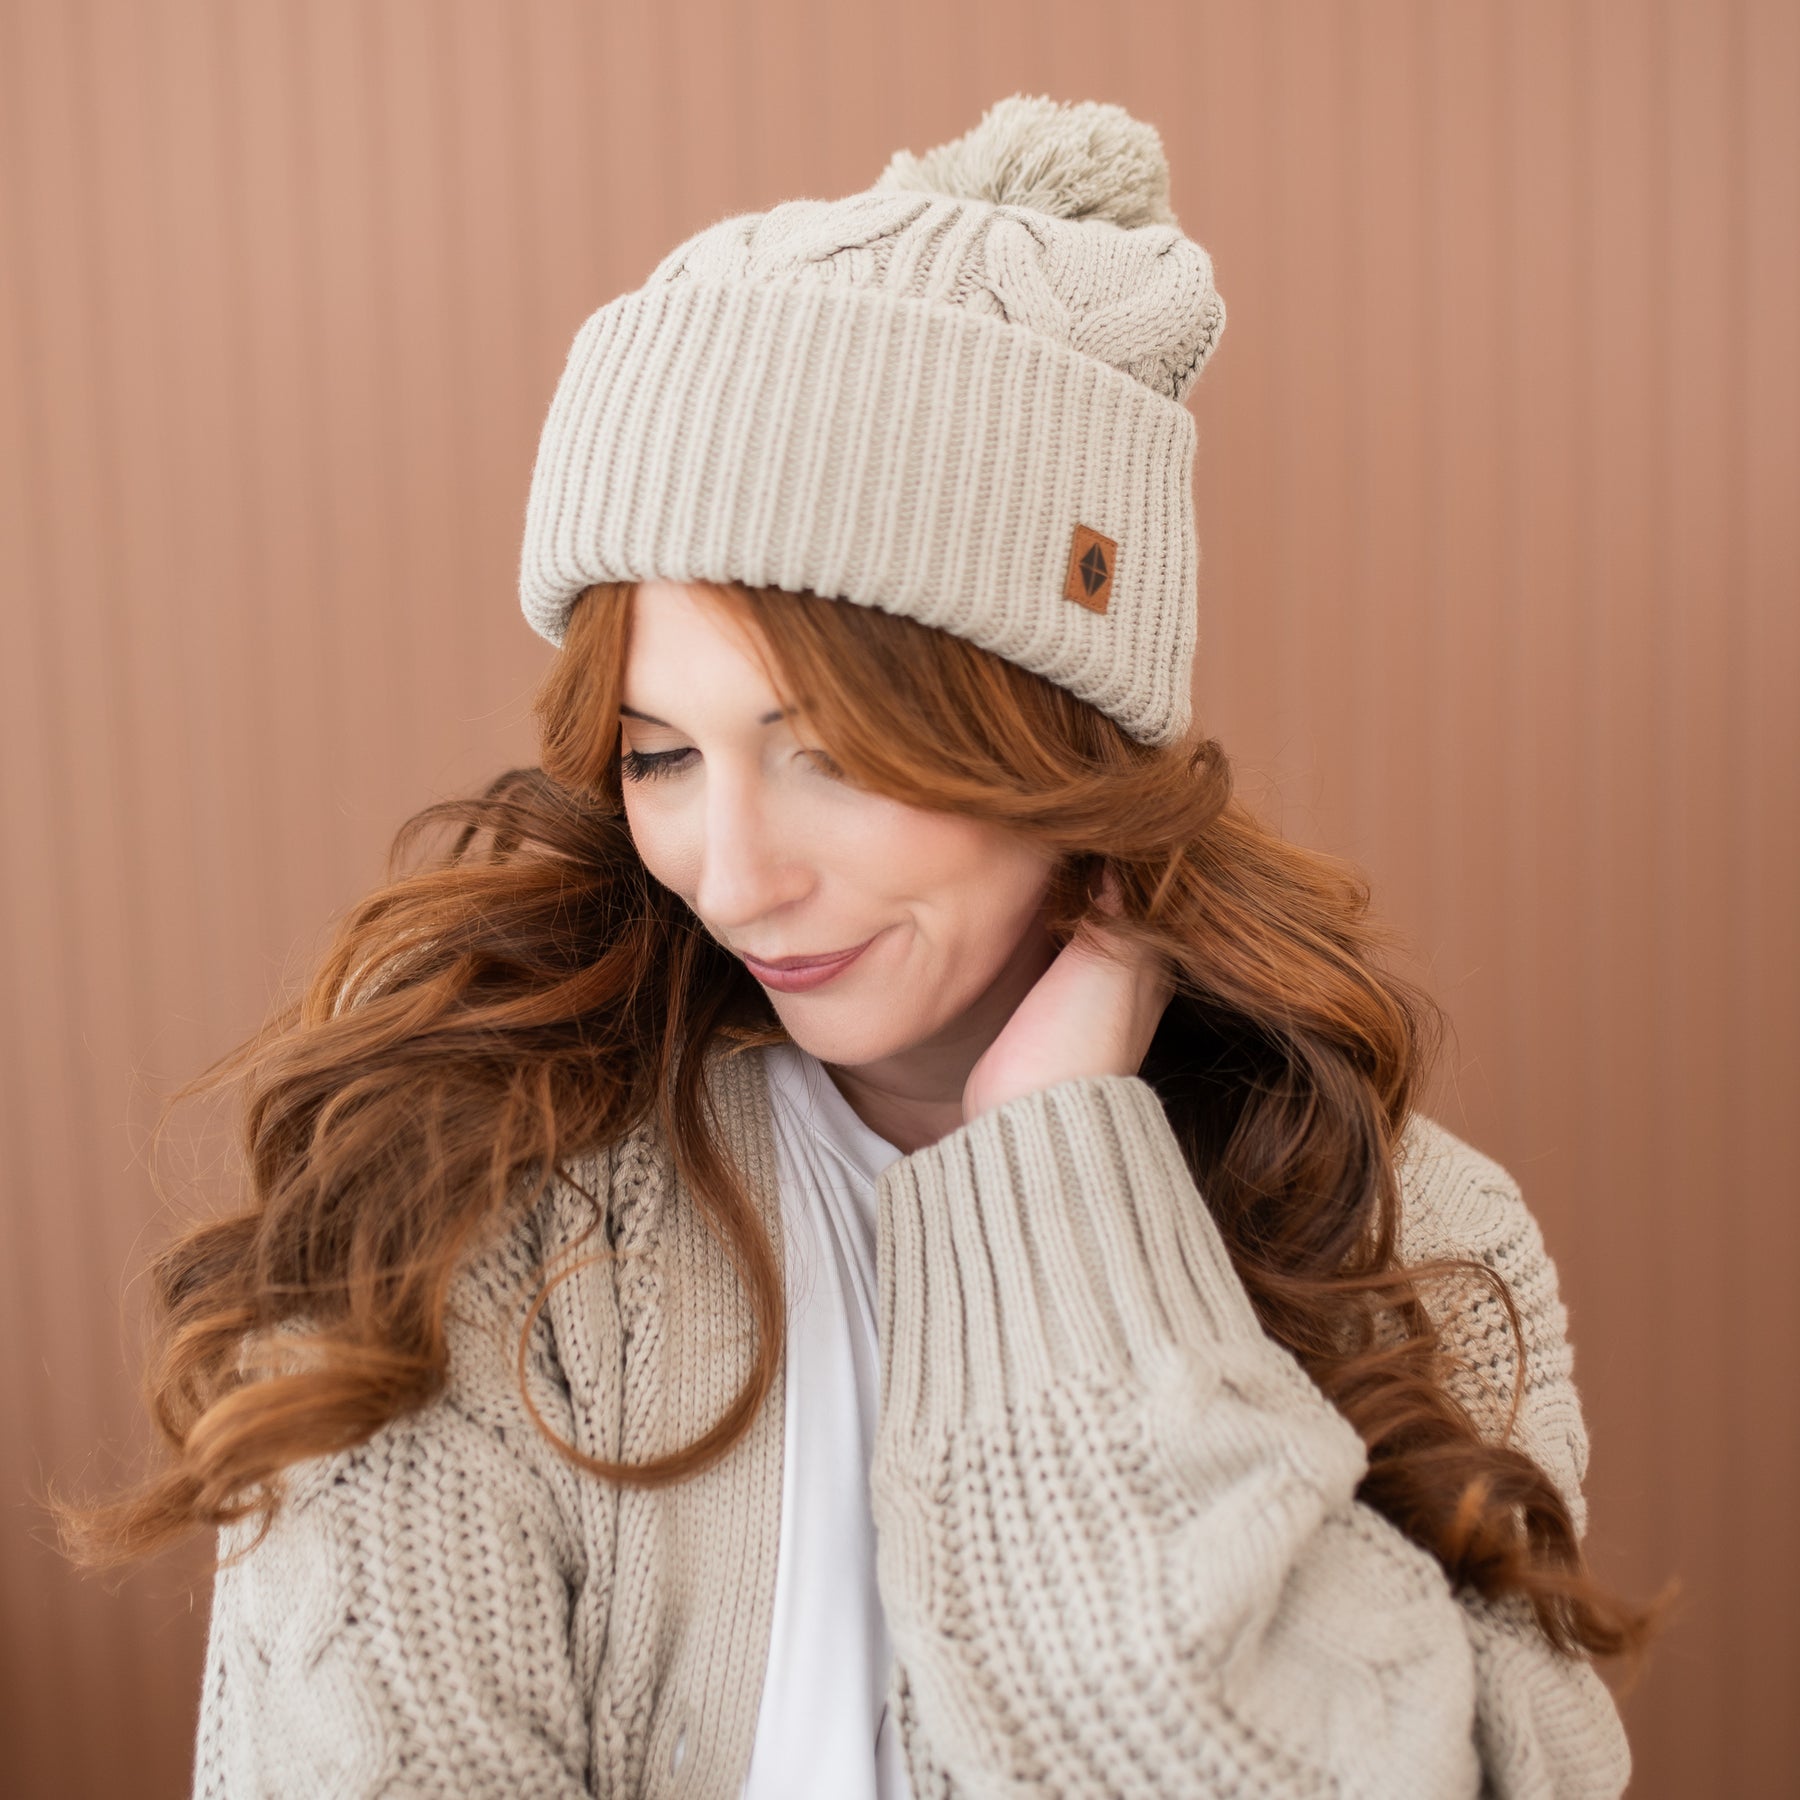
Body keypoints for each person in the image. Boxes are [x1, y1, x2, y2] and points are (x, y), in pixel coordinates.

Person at [60, 93, 1659, 1797]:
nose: (734, 878)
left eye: (833, 755)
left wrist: (1057, 1188)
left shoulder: (1399, 1235)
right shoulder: (463, 1211)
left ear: (1059, 734)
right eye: (660, 756)